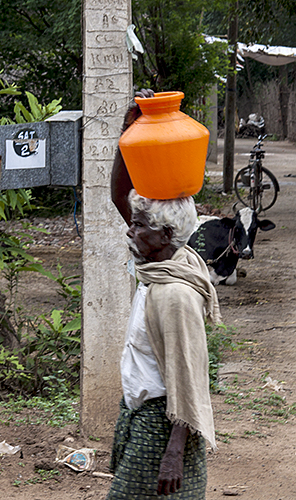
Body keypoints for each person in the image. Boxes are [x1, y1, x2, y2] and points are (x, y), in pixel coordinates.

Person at [106, 90, 221, 499]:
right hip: (142, 417)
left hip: (163, 424)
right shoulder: (164, 264)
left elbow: (188, 380)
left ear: (164, 234)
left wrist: (173, 453)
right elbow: (120, 196)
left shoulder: (174, 293)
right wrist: (128, 130)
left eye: (138, 225)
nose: (129, 229)